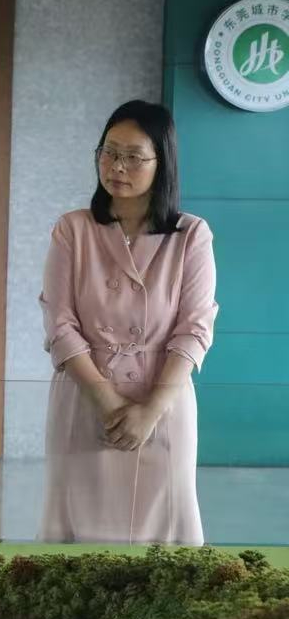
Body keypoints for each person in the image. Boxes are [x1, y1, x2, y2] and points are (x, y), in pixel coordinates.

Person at [39, 101, 216, 544]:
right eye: (109, 152)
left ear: (162, 163)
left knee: (164, 535)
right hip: (85, 398)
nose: (117, 166)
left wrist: (152, 410)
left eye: (134, 156)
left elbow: (195, 329)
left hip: (163, 401)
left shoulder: (191, 235)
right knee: (77, 533)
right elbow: (59, 323)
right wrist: (106, 401)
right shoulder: (73, 229)